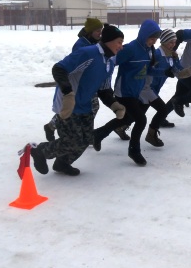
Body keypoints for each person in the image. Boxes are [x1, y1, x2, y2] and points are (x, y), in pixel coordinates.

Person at [29, 25, 126, 176]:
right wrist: (68, 93)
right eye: (119, 42)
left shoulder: (110, 62)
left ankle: (62, 163)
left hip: (85, 105)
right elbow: (59, 69)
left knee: (87, 139)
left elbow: (103, 89)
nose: (121, 46)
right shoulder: (88, 53)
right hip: (69, 105)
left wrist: (114, 105)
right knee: (72, 141)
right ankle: (40, 151)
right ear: (108, 40)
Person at [97, 19, 162, 166]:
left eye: (155, 39)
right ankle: (134, 151)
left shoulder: (148, 50)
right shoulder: (130, 49)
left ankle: (98, 134)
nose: (154, 41)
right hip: (124, 91)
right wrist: (101, 82)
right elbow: (110, 61)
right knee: (141, 119)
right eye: (152, 38)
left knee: (126, 119)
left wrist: (166, 72)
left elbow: (148, 70)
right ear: (144, 35)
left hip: (136, 91)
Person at [43, 17, 105, 141]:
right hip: (78, 84)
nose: (100, 33)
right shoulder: (81, 45)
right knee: (74, 109)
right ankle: (52, 126)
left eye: (101, 30)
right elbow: (77, 66)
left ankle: (86, 133)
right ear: (90, 31)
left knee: (93, 107)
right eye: (98, 30)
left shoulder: (95, 42)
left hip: (88, 84)